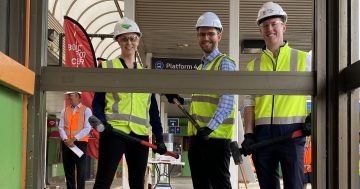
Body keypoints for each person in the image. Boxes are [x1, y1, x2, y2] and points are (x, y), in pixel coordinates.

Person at [241, 2, 312, 189]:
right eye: (265, 25)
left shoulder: (303, 59)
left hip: (294, 134)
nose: (269, 29)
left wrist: (314, 117)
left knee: (294, 186)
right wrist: (248, 134)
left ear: (283, 27)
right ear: (260, 31)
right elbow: (249, 103)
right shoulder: (252, 66)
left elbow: (319, 92)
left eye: (274, 23)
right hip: (262, 136)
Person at [91, 17, 167, 189]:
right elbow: (97, 103)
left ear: (138, 40)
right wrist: (103, 123)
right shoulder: (107, 67)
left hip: (139, 136)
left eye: (133, 38)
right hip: (113, 132)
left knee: (137, 184)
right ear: (118, 40)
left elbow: (152, 110)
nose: (129, 43)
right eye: (124, 38)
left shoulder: (145, 74)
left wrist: (160, 138)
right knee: (103, 182)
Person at [169, 12, 237, 189]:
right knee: (201, 185)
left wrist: (210, 127)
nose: (206, 38)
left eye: (210, 33)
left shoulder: (225, 63)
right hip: (198, 138)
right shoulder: (202, 67)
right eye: (202, 34)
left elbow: (227, 101)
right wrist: (181, 100)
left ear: (219, 36)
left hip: (215, 138)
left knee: (220, 185)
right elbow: (201, 102)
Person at [58, 91, 92, 189]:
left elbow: (87, 128)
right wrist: (66, 139)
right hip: (66, 143)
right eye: (68, 95)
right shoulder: (64, 111)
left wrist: (73, 139)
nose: (68, 97)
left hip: (80, 143)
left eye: (70, 95)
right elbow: (61, 127)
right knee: (69, 171)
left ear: (77, 96)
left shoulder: (86, 110)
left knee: (81, 171)